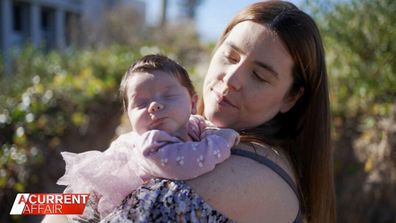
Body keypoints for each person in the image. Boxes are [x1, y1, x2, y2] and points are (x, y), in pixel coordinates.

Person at [43, 1, 336, 222]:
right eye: (229, 56)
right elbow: (65, 202)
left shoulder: (237, 167)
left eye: (259, 76)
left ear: (292, 97)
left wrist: (50, 208)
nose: (231, 80)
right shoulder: (191, 132)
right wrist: (34, 206)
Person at [55, 54, 239, 221]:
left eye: (168, 96)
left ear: (192, 103)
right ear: (129, 116)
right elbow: (179, 163)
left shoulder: (195, 124)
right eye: (141, 103)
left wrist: (215, 134)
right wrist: (220, 143)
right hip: (94, 200)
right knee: (56, 210)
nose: (155, 106)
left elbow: (206, 129)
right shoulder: (151, 145)